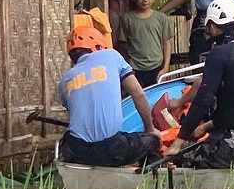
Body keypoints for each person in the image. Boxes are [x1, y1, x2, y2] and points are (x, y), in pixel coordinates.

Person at [162, 0, 234, 168]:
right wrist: (204, 128)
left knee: (177, 158)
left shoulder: (219, 54)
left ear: (213, 27)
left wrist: (178, 142)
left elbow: (202, 101)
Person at [58, 26, 161, 167]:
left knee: (68, 139)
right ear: (99, 45)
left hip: (78, 152)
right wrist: (150, 129)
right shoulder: (111, 55)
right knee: (153, 142)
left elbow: (75, 112)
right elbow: (138, 94)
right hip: (111, 149)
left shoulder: (65, 80)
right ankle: (150, 180)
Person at [117, 0, 173, 88]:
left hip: (157, 67)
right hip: (135, 69)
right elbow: (123, 45)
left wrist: (166, 67)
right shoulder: (127, 18)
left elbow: (166, 43)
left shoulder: (161, 18)